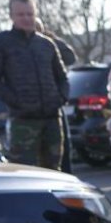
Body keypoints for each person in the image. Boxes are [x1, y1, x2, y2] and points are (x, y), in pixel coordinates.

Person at [0, 0, 69, 169]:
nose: (26, 18)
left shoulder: (47, 44)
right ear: (12, 16)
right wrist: (17, 102)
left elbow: (62, 77)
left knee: (55, 173)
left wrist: (60, 99)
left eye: (30, 14)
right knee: (23, 172)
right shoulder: (1, 42)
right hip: (23, 122)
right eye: (21, 14)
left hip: (52, 119)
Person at [35, 17, 77, 172]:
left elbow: (70, 57)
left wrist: (50, 39)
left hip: (52, 104)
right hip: (29, 109)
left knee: (62, 147)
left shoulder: (49, 46)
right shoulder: (18, 47)